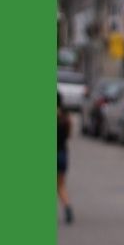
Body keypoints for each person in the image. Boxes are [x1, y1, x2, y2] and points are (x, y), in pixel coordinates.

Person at [57, 92, 75, 225]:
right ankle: (67, 205)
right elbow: (69, 135)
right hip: (62, 153)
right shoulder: (65, 116)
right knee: (61, 185)